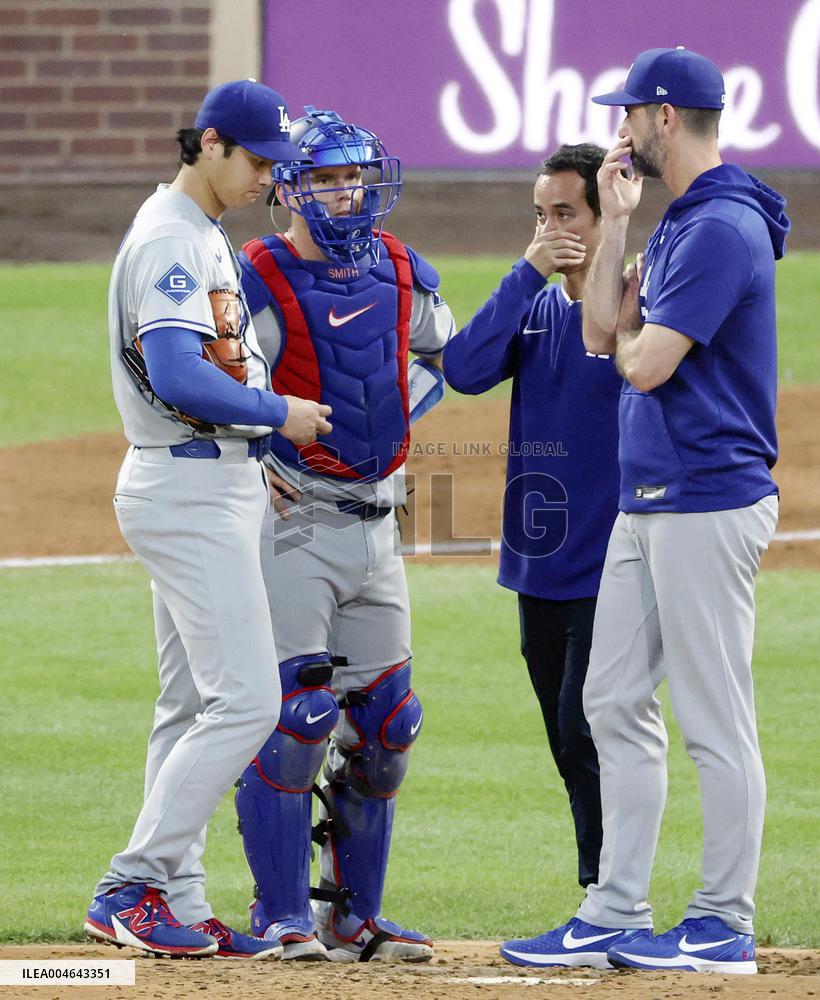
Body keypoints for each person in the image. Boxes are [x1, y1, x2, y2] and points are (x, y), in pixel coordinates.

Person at [503, 47, 789, 975]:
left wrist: (628, 333)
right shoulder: (671, 224)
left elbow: (641, 363)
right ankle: (615, 908)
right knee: (610, 697)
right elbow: (600, 331)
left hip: (707, 495)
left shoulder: (719, 230)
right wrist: (617, 227)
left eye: (630, 113)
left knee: (715, 714)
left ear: (665, 118)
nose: (620, 129)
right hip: (649, 496)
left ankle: (722, 921)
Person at [84, 80, 332, 960]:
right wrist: (277, 417)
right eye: (259, 161)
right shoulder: (169, 241)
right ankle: (131, 882)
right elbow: (180, 375)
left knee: (189, 702)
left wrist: (251, 457)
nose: (270, 178)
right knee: (248, 699)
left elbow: (212, 368)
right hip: (184, 491)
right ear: (212, 144)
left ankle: (176, 900)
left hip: (211, 479)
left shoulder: (202, 233)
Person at [231, 107, 454, 962]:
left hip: (378, 521)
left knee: (391, 724)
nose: (347, 193)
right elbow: (217, 389)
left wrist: (399, 421)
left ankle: (355, 918)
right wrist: (259, 461)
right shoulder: (256, 276)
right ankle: (281, 914)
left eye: (355, 176)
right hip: (294, 523)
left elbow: (445, 355)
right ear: (289, 185)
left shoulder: (400, 268)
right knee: (298, 720)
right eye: (327, 177)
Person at [442, 144, 621, 923]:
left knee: (587, 725)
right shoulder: (538, 308)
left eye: (565, 215)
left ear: (603, 212)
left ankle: (611, 894)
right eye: (540, 216)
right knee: (562, 732)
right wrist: (527, 271)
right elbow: (463, 368)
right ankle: (604, 885)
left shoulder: (637, 301)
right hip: (539, 562)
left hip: (613, 563)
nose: (550, 229)